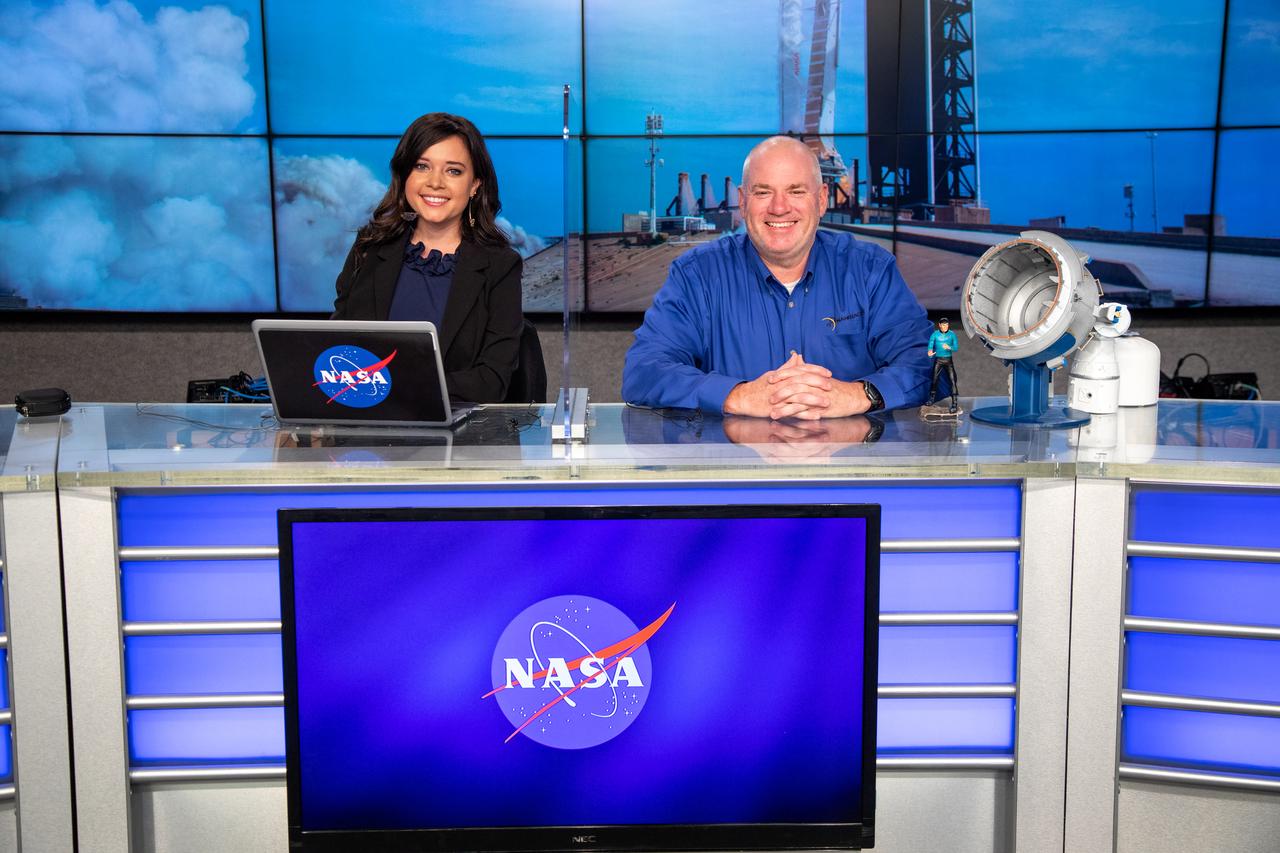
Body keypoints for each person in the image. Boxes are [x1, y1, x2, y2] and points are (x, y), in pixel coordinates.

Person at [622, 136, 933, 419]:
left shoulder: (871, 271)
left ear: (822, 199)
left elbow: (929, 363)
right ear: (742, 201)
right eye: (763, 192)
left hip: (849, 472)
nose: (780, 208)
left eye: (795, 191)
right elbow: (645, 371)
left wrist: (858, 394)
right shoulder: (697, 276)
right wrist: (738, 396)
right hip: (735, 473)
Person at [331, 112, 522, 403]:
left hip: (457, 439)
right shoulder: (368, 249)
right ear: (405, 175)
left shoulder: (500, 266)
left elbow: (492, 380)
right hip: (364, 433)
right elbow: (336, 351)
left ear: (475, 185)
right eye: (422, 166)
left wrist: (400, 386)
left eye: (453, 171)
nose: (435, 183)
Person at [926, 317, 959, 412]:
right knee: (934, 379)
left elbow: (956, 348)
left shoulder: (952, 334)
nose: (945, 327)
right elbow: (931, 343)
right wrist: (929, 351)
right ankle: (931, 399)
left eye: (947, 325)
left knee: (952, 380)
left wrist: (949, 347)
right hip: (938, 360)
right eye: (943, 325)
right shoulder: (935, 334)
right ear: (940, 325)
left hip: (948, 361)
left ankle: (954, 403)